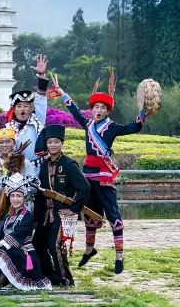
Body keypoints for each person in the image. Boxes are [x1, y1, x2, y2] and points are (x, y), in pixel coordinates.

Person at [57, 73, 148, 275]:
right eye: (96, 107)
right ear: (92, 110)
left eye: (102, 108)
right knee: (90, 213)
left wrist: (142, 116)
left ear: (107, 112)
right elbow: (74, 112)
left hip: (104, 175)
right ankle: (89, 249)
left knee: (112, 213)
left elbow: (133, 128)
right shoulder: (88, 125)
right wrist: (63, 94)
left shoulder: (112, 127)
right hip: (87, 175)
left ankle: (119, 255)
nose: (98, 110)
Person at [33, 123, 89, 287]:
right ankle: (50, 276)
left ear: (62, 143)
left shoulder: (69, 164)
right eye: (50, 142)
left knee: (55, 245)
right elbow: (40, 193)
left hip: (61, 213)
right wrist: (36, 218)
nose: (53, 145)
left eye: (56, 142)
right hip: (45, 214)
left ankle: (66, 279)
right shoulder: (43, 165)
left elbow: (84, 187)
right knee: (38, 244)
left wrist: (73, 210)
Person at [0, 173, 52, 291]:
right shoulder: (9, 217)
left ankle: (11, 279)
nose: (15, 199)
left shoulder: (27, 216)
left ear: (25, 198)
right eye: (12, 196)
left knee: (1, 250)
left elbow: (16, 236)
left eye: (19, 196)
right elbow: (3, 236)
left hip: (24, 253)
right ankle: (6, 277)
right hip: (12, 252)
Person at [0, 128, 35, 222]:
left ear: (14, 143)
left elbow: (33, 187)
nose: (4, 145)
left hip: (20, 209)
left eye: (8, 142)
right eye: (1, 142)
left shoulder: (24, 162)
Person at [4, 54, 50, 165]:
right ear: (14, 110)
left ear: (31, 108)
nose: (22, 109)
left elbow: (41, 100)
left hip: (38, 168)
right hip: (15, 169)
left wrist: (41, 75)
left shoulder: (37, 120)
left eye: (25, 106)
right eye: (19, 106)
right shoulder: (8, 127)